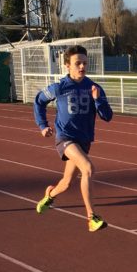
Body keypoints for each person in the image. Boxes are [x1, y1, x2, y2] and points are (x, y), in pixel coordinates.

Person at [33, 45, 113, 232]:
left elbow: (107, 116)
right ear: (67, 66)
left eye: (85, 63)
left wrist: (98, 99)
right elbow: (39, 101)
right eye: (78, 63)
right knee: (88, 168)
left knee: (67, 183)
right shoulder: (59, 87)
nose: (82, 66)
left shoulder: (94, 87)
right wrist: (43, 125)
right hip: (65, 138)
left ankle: (50, 194)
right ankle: (92, 218)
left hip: (84, 140)